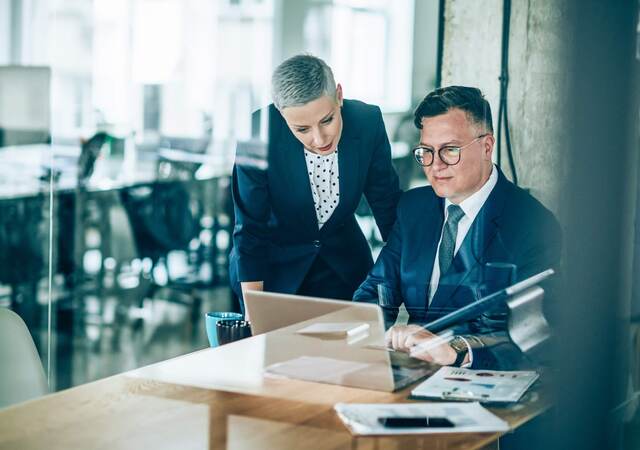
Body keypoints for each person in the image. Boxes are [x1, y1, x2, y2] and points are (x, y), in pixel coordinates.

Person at [353, 85, 562, 369]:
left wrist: (457, 350)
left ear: (487, 146)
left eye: (450, 150)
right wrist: (370, 331)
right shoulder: (414, 208)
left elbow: (532, 334)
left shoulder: (533, 225)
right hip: (411, 376)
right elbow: (377, 291)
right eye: (426, 151)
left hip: (482, 383)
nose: (435, 165)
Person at [230, 54, 401, 311]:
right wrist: (255, 313)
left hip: (344, 267)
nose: (320, 139)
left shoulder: (367, 122)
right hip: (274, 270)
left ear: (339, 95)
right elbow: (250, 229)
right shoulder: (257, 132)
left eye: (327, 120)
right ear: (281, 114)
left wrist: (412, 280)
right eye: (302, 129)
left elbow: (387, 206)